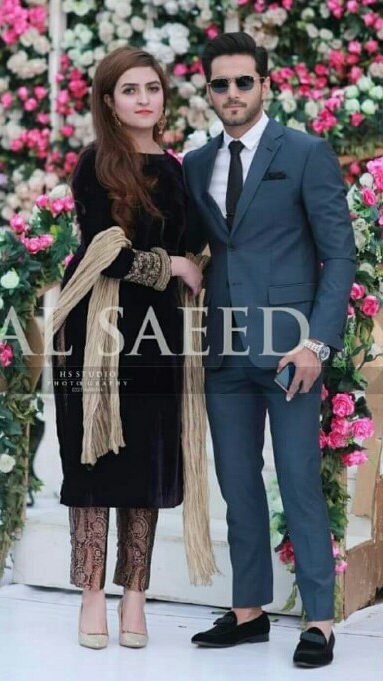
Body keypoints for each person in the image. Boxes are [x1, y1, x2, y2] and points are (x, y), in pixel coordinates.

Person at [183, 32, 356, 667]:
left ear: (265, 84)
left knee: (300, 484)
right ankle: (249, 609)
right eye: (220, 84)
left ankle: (319, 618)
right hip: (224, 352)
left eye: (243, 81)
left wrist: (316, 341)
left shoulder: (307, 153)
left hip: (292, 354)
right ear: (209, 91)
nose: (233, 93)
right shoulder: (197, 164)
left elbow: (339, 254)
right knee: (237, 485)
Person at [51, 46, 216, 650]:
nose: (145, 98)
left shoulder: (176, 169)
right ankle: (92, 595)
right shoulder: (96, 163)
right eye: (130, 89)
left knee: (147, 460)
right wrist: (169, 262)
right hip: (97, 329)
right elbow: (105, 251)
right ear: (109, 102)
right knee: (94, 459)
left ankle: (135, 597)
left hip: (160, 336)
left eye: (153, 87)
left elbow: (198, 240)